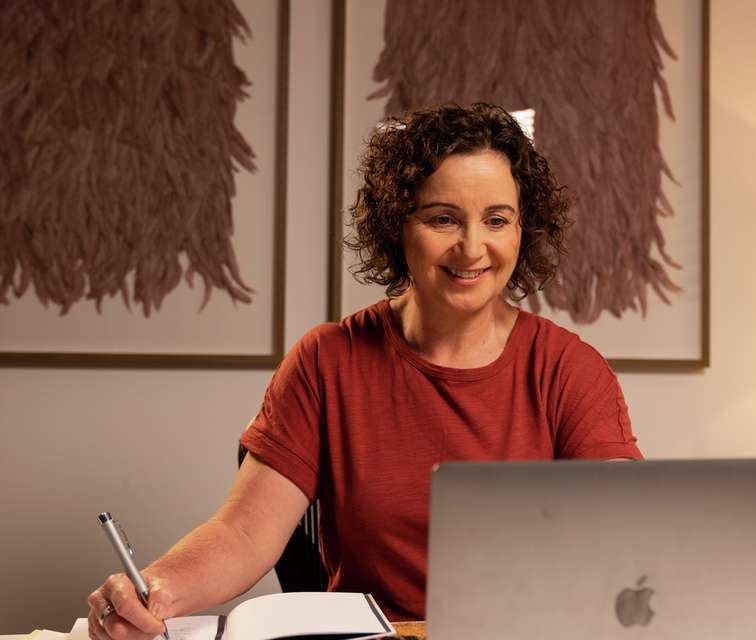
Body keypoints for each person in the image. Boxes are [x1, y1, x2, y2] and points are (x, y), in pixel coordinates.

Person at [86, 102, 641, 639]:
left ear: (524, 229)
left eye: (497, 219)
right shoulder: (328, 360)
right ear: (399, 226)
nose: (473, 247)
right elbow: (245, 532)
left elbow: (626, 538)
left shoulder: (570, 370)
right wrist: (153, 590)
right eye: (443, 218)